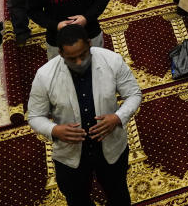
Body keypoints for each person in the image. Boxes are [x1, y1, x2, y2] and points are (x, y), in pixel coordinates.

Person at [27, 24, 141, 206]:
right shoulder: (45, 75)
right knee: (76, 198)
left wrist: (118, 117)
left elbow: (133, 94)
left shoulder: (112, 61)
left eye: (83, 55)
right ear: (61, 54)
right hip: (70, 154)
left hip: (111, 146)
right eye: (72, 59)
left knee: (117, 192)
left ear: (89, 44)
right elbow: (34, 116)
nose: (79, 62)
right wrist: (54, 130)